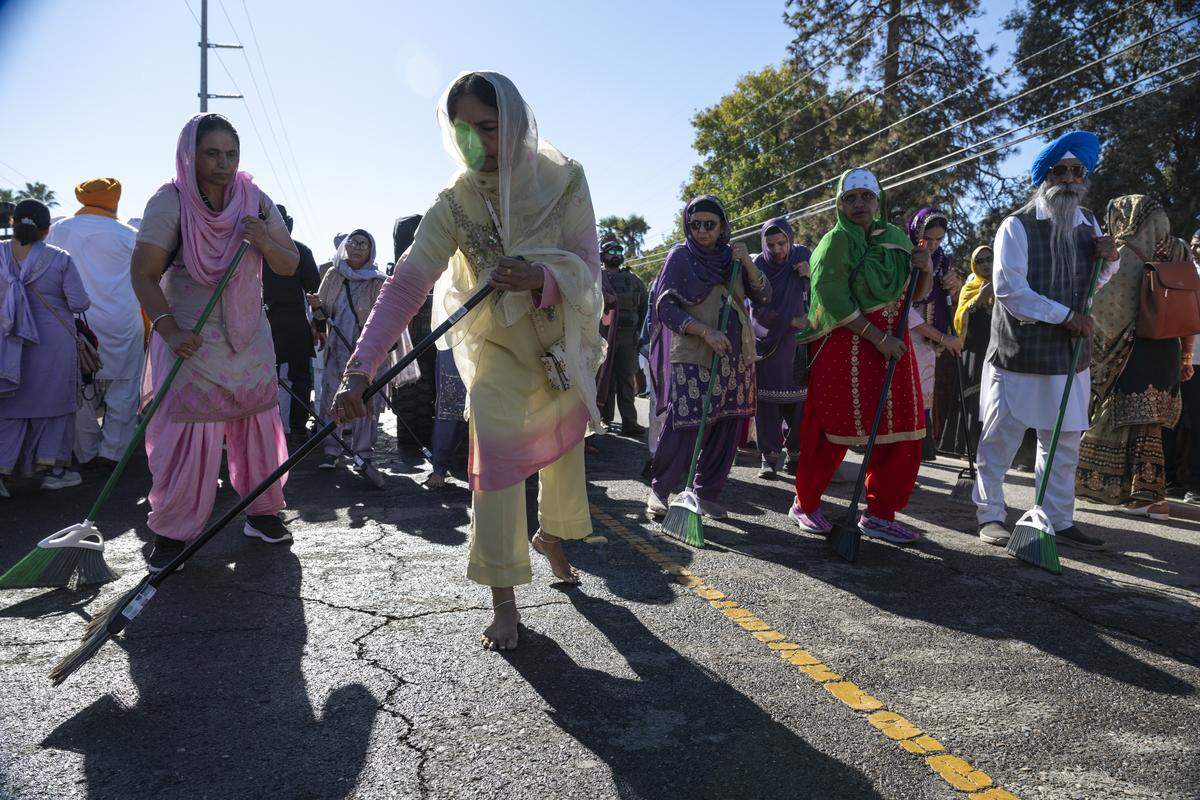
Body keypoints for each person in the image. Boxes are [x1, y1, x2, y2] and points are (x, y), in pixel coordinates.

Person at [334, 71, 606, 650]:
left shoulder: (566, 180)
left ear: (517, 123)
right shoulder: (455, 203)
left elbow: (588, 265)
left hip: (561, 349)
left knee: (564, 449)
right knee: (496, 470)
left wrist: (540, 277)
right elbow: (405, 286)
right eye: (465, 131)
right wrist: (358, 371)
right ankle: (504, 599)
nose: (477, 142)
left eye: (489, 126)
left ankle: (551, 535)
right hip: (500, 354)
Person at [130, 113, 301, 572]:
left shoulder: (255, 200)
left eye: (231, 153)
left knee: (258, 428)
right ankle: (172, 532)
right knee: (189, 438)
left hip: (248, 339)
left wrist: (265, 238)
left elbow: (289, 264)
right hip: (190, 338)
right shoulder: (170, 202)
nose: (223, 163)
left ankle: (263, 513)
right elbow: (143, 274)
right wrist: (169, 330)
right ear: (191, 154)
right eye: (212, 153)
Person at [972, 130, 1120, 549]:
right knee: (1001, 437)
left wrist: (1109, 260)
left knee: (1064, 439)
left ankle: (1057, 518)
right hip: (1019, 351)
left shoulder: (1089, 223)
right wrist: (1066, 316)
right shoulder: (1015, 226)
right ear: (1045, 176)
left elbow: (1094, 285)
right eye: (1061, 171)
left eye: (1078, 171)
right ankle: (991, 515)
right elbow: (1010, 292)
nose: (1071, 179)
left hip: (1070, 355)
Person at [789, 169, 932, 544]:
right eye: (850, 198)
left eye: (866, 198)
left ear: (878, 201)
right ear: (839, 204)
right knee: (830, 430)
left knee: (902, 430)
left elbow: (913, 296)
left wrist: (926, 269)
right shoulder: (834, 243)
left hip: (892, 347)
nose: (858, 205)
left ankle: (881, 514)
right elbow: (832, 296)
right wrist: (876, 338)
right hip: (844, 346)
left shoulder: (897, 239)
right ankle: (805, 504)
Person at [645, 195, 771, 519]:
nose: (702, 231)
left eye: (709, 225)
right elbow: (665, 307)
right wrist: (705, 332)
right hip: (694, 353)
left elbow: (763, 295)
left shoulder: (733, 258)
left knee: (728, 424)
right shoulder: (680, 257)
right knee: (684, 421)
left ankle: (708, 493)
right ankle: (659, 490)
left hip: (737, 354)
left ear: (722, 227)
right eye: (695, 224)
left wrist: (747, 263)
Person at [1077, 197, 1189, 519]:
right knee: (1150, 424)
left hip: (1133, 351)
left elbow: (1105, 311)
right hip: (1168, 348)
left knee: (1124, 419)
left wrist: (1096, 354)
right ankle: (1151, 498)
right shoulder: (1180, 250)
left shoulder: (1123, 254)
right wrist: (1187, 354)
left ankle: (1136, 495)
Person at [45, 178, 142, 468]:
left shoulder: (59, 231)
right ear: (116, 200)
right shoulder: (129, 235)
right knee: (123, 389)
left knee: (77, 390)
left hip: (74, 324)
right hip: (122, 323)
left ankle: (86, 453)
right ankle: (112, 454)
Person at [0, 199, 91, 494]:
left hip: (8, 339)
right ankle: (55, 471)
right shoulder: (59, 258)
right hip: (52, 344)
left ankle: (2, 474)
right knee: (56, 406)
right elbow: (78, 303)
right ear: (46, 229)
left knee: (9, 407)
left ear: (13, 223)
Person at [314, 229, 416, 481]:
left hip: (369, 352)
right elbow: (322, 313)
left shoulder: (379, 281)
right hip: (337, 349)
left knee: (366, 402)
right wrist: (316, 308)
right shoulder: (332, 275)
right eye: (353, 242)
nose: (358, 247)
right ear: (344, 247)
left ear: (371, 250)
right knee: (331, 396)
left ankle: (363, 453)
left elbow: (386, 318)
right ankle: (331, 450)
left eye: (364, 243)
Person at [750, 216, 811, 478]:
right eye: (771, 244)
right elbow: (757, 308)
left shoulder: (803, 256)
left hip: (798, 345)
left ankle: (795, 454)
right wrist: (789, 321)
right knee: (767, 404)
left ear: (790, 239)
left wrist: (812, 273)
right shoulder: (758, 265)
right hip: (768, 343)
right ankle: (769, 456)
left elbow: (824, 288)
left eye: (782, 243)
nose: (777, 250)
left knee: (798, 404)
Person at [905, 208, 962, 461]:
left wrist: (955, 287)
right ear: (916, 234)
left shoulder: (942, 261)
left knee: (922, 400)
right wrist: (943, 339)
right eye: (928, 238)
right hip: (906, 341)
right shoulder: (905, 259)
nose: (933, 244)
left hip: (928, 345)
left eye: (939, 239)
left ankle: (913, 462)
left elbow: (949, 303)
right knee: (905, 399)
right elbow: (905, 313)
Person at [264, 204, 320, 442]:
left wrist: (321, 326)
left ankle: (297, 425)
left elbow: (315, 293)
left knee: (300, 377)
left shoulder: (301, 251)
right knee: (265, 377)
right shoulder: (251, 251)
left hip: (295, 323)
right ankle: (267, 426)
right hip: (261, 323)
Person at [596, 234, 648, 435]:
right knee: (604, 379)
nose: (616, 255)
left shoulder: (633, 280)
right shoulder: (596, 277)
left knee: (626, 379)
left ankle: (629, 422)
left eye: (619, 251)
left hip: (627, 338)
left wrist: (640, 333)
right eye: (611, 252)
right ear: (603, 255)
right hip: (603, 337)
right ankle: (604, 419)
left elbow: (644, 307)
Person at [1164, 228, 1200, 503]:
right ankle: (1168, 480)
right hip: (1178, 355)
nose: (1198, 248)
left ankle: (1194, 484)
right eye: (1196, 243)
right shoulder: (1181, 272)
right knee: (1173, 419)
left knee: (1196, 423)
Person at [948, 245, 995, 453]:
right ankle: (969, 446)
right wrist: (980, 299)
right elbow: (960, 319)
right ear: (974, 266)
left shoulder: (1006, 283)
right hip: (975, 350)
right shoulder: (971, 287)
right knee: (974, 398)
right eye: (980, 261)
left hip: (999, 349)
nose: (985, 264)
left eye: (989, 259)